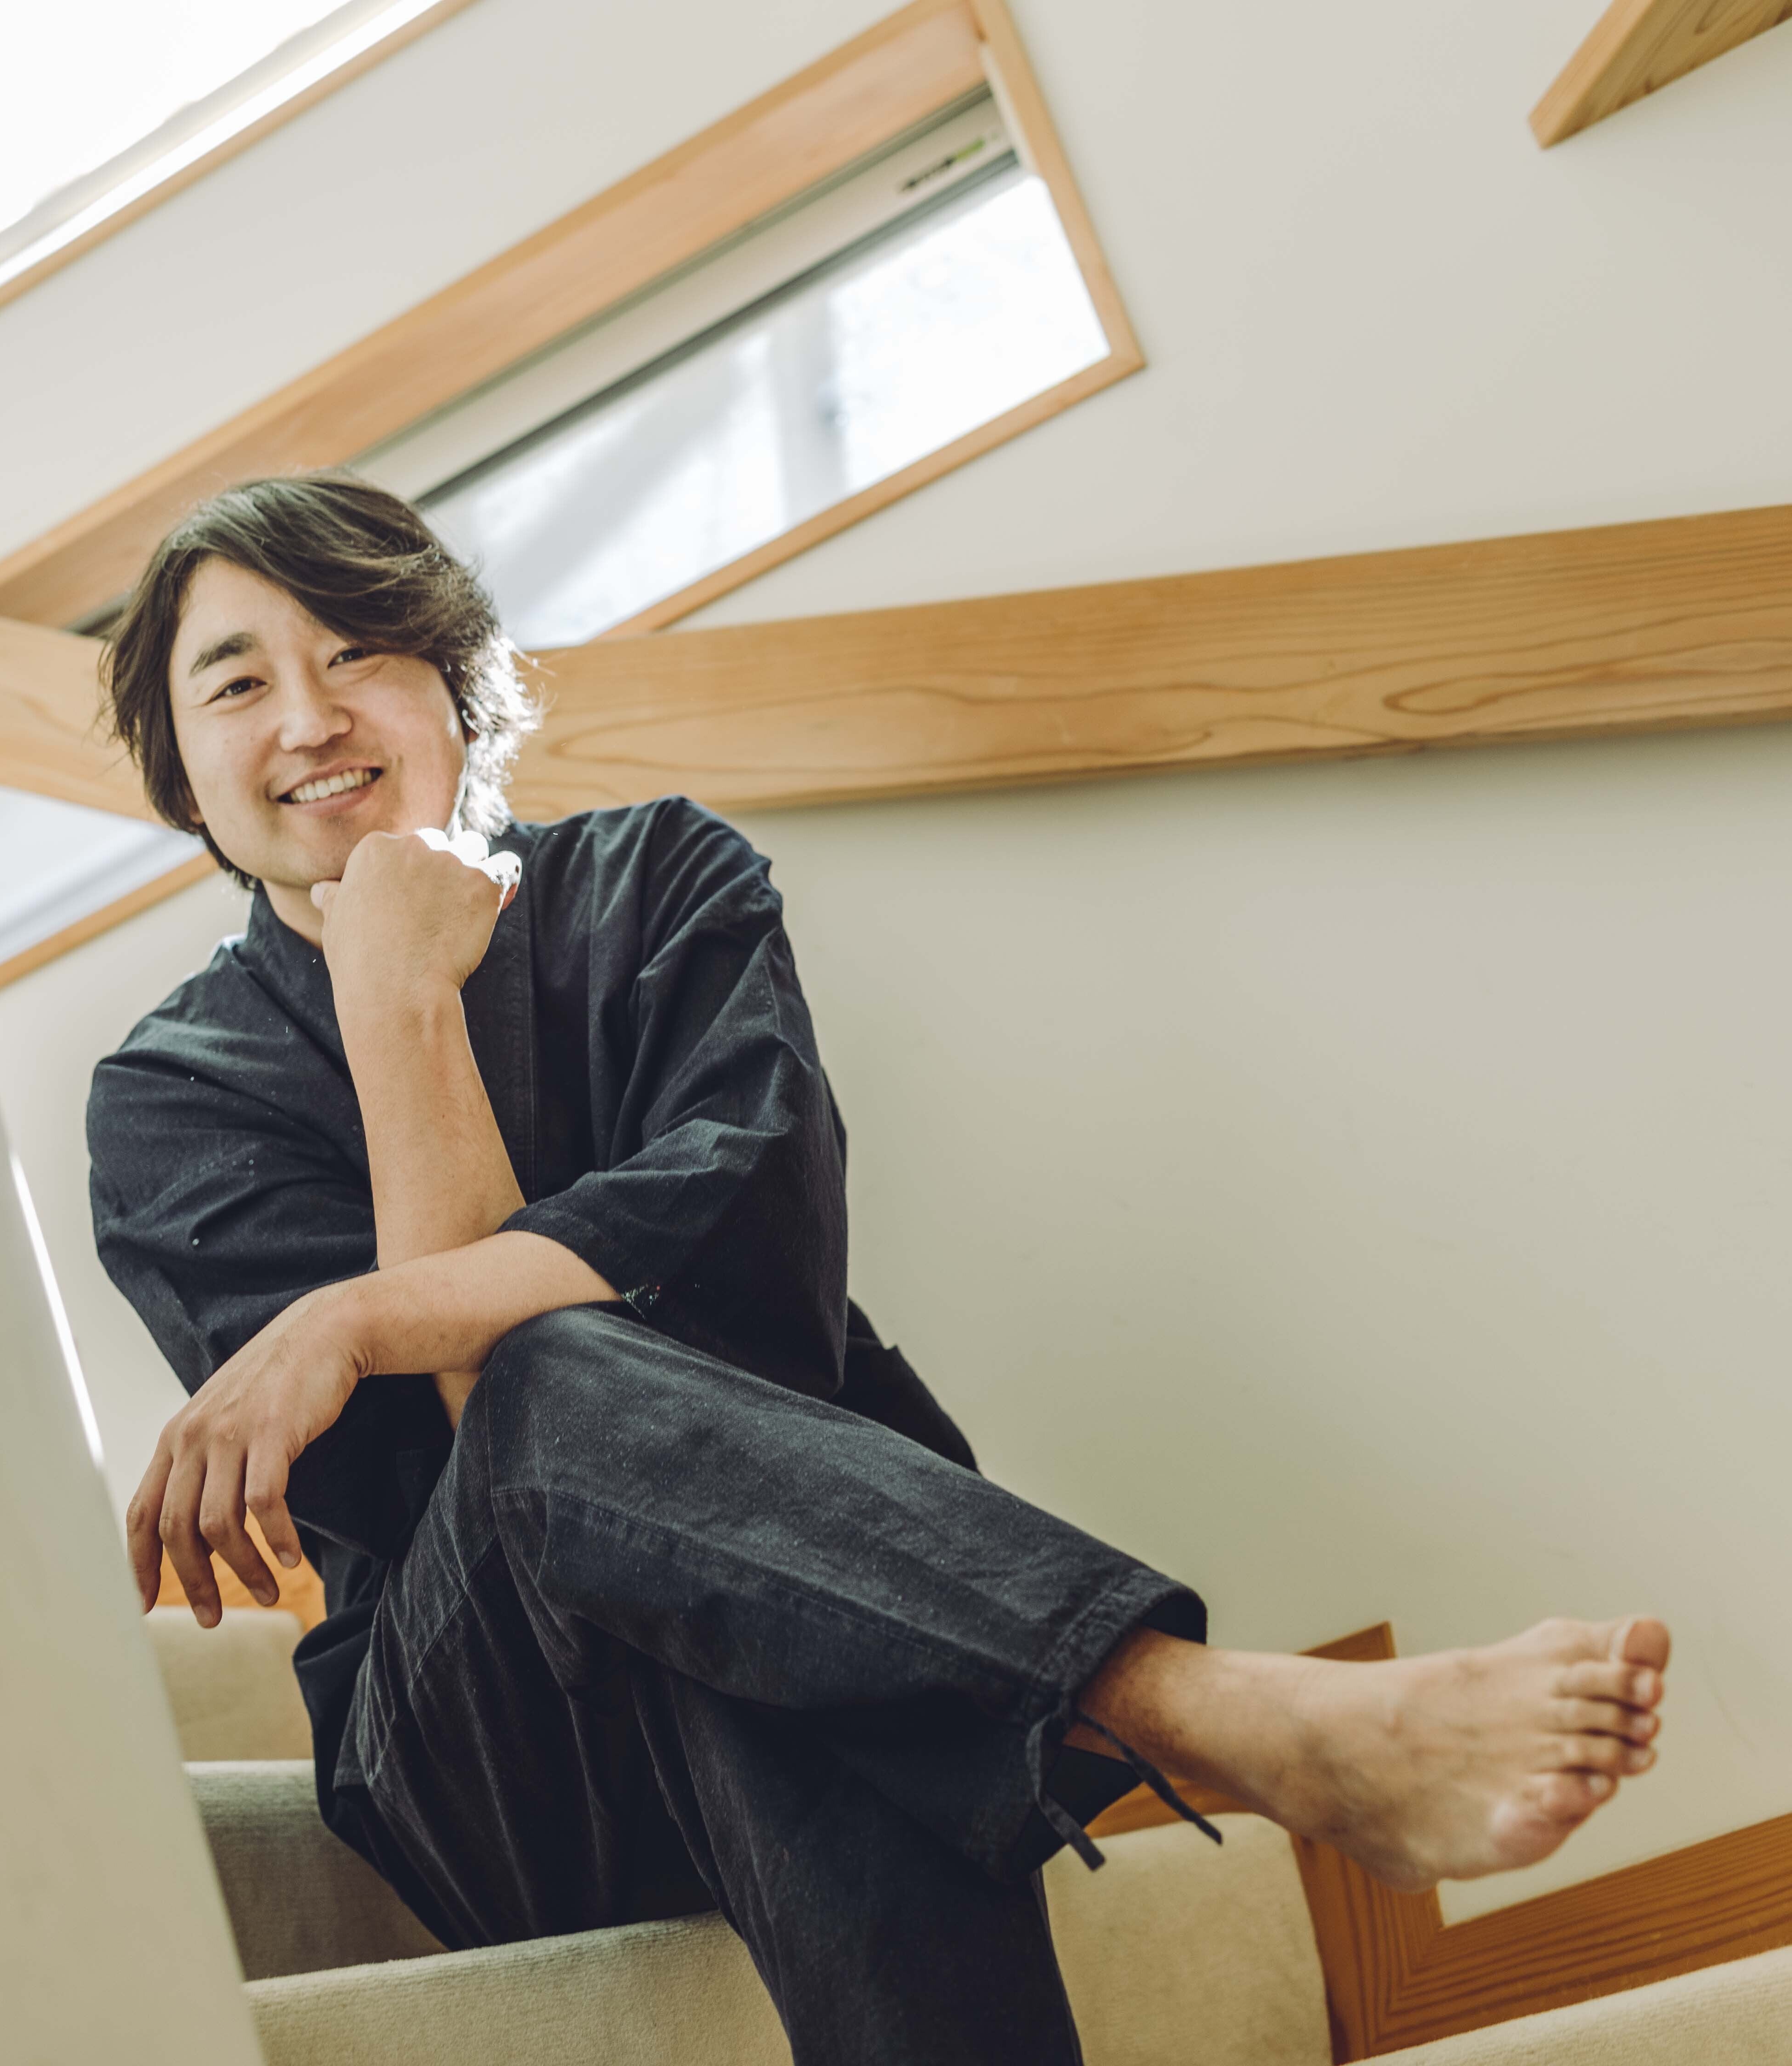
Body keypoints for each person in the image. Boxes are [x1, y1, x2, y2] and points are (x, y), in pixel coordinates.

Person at [83, 475, 1670, 2063]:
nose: (311, 716)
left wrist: (362, 1312)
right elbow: (472, 1452)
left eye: (358, 651)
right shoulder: (170, 1099)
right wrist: (398, 999)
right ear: (182, 768)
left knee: (758, 1615)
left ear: (450, 677)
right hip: (493, 1757)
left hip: (816, 1613)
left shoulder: (661, 878)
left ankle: (1227, 1729)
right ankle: (1219, 1716)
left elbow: (749, 1258)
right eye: (238, 683)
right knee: (561, 1397)